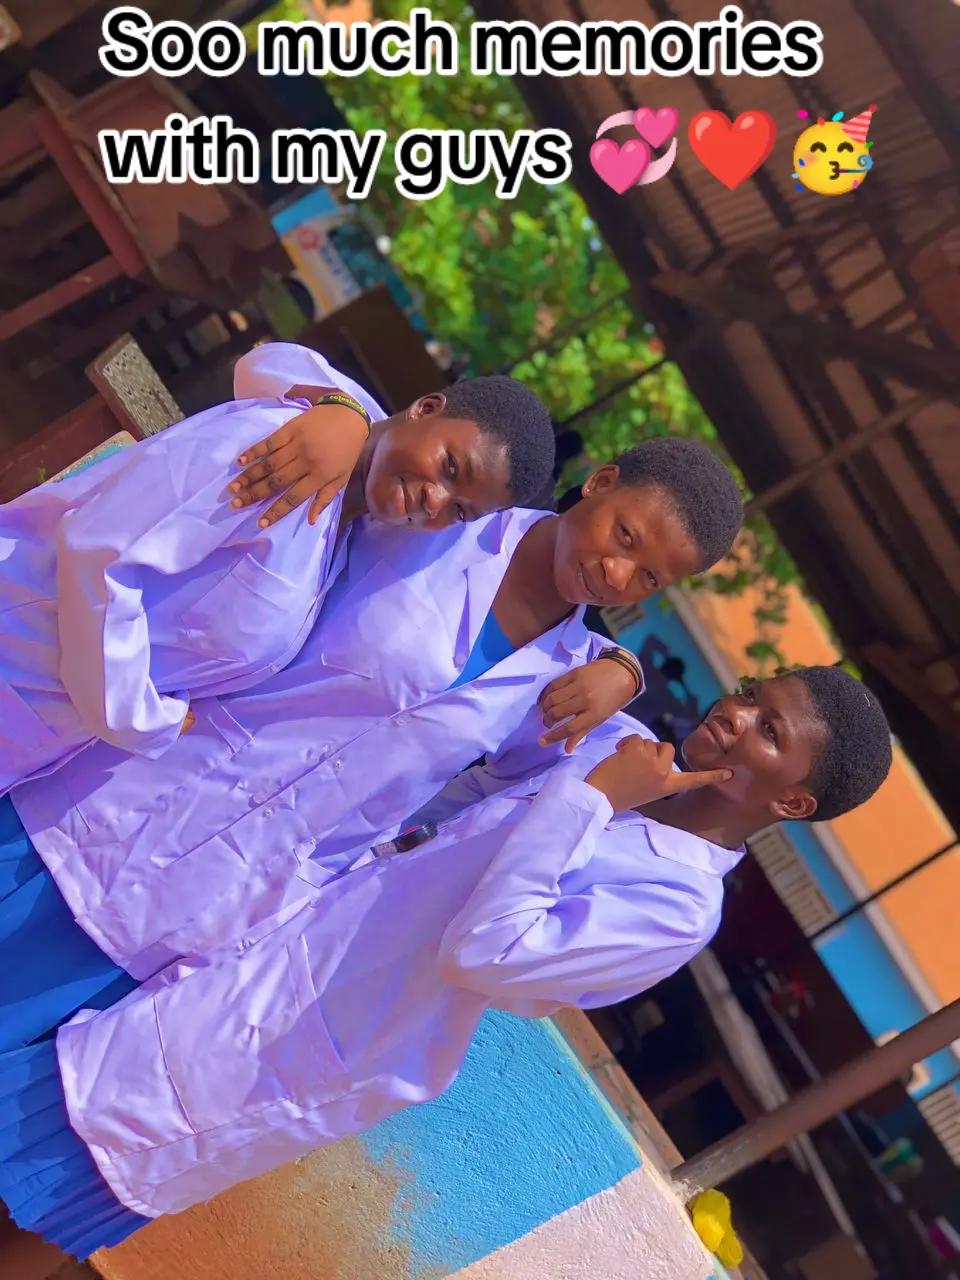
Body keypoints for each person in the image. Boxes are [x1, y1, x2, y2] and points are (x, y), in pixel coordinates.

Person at [0, 667, 892, 1252]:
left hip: (291, 1048)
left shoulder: (677, 905)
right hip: (251, 963)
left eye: (767, 729)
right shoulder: (621, 749)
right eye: (749, 693)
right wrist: (617, 671)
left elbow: (488, 953)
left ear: (793, 801)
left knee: (52, 1196)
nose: (734, 714)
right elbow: (473, 757)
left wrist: (589, 801)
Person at [0, 345, 555, 793]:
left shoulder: (338, 543)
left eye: (461, 511)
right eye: (450, 467)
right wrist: (141, 719)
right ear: (427, 409)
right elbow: (99, 552)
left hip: (34, 725)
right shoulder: (285, 449)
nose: (436, 500)